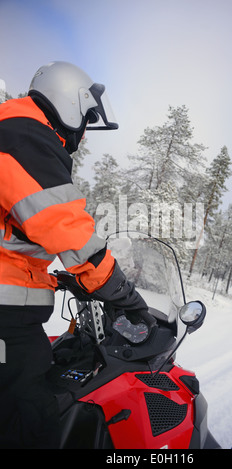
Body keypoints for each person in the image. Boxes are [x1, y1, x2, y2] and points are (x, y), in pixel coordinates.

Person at [0, 61, 154, 448]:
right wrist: (122, 293)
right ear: (68, 102)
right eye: (85, 120)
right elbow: (67, 228)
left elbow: (19, 233)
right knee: (30, 412)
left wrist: (57, 277)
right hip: (5, 315)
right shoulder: (25, 137)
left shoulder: (12, 128)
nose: (83, 134)